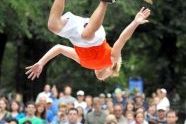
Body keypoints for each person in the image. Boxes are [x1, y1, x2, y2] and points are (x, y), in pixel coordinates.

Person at [25, 0, 151, 80]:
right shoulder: (112, 59)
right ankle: (105, 2)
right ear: (111, 69)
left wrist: (41, 62)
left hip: (76, 35)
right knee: (86, 35)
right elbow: (122, 39)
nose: (102, 78)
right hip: (95, 35)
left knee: (53, 26)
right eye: (108, 76)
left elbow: (59, 48)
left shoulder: (84, 62)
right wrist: (135, 23)